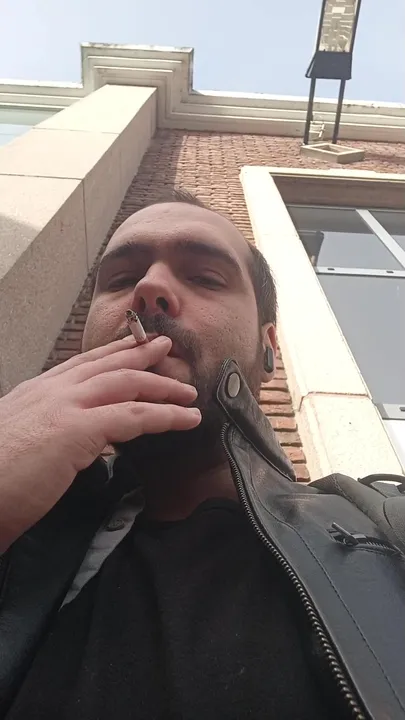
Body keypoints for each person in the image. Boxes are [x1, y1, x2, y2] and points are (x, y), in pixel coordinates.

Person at [0, 191, 396, 720]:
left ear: (268, 346)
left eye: (206, 278)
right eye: (120, 280)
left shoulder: (384, 532)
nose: (148, 289)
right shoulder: (24, 533)